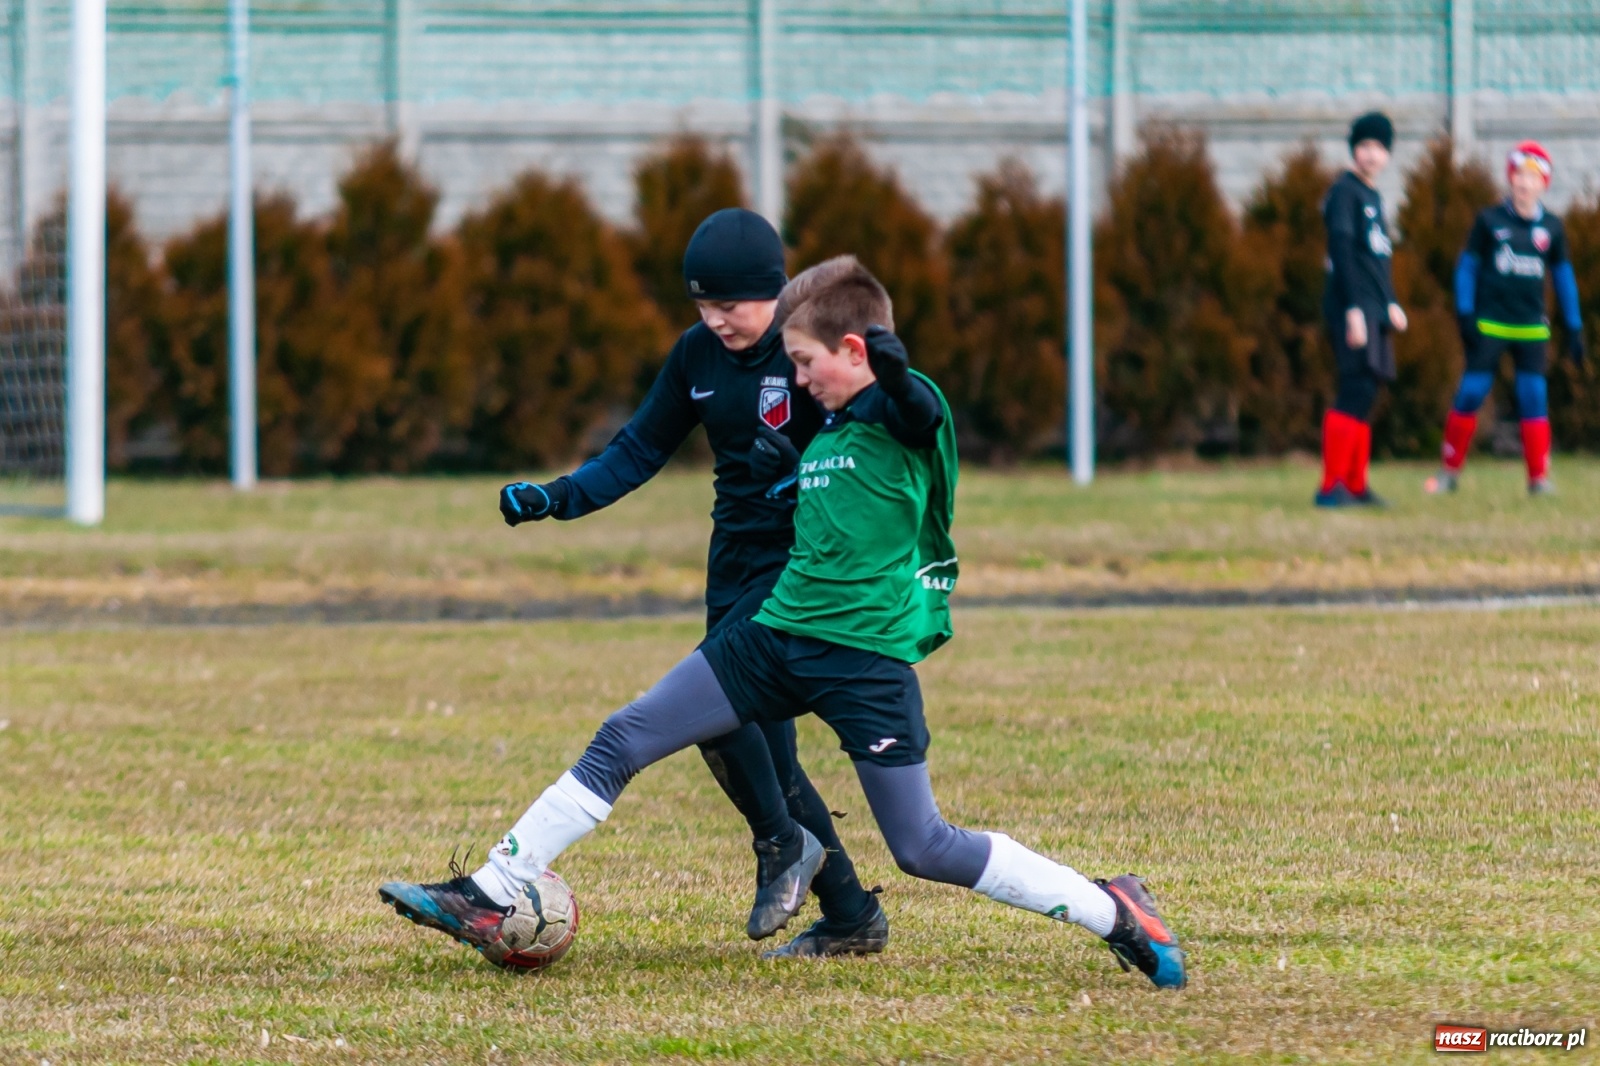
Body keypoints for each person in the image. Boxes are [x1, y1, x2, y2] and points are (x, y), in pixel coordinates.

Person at [380, 256, 1188, 989]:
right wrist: (783, 479)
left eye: (805, 363)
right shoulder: (829, 423)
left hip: (862, 659)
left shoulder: (902, 407)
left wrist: (898, 381)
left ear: (854, 349)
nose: (797, 381)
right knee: (624, 737)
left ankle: (1114, 911)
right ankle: (490, 890)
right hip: (772, 634)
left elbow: (916, 417)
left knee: (923, 847)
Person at [489, 208, 885, 956]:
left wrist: (797, 472)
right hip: (731, 559)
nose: (713, 320)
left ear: (772, 292)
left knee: (719, 711)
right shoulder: (696, 356)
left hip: (802, 564)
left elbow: (873, 447)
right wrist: (558, 497)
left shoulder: (815, 349)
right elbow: (639, 448)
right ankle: (852, 915)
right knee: (761, 744)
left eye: (727, 305)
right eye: (701, 305)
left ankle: (780, 845)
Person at [1426, 141, 1584, 496]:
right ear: (1510, 179)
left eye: (1532, 177)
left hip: (1531, 328)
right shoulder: (1489, 221)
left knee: (1533, 396)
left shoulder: (1553, 229)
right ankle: (1449, 473)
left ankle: (1538, 479)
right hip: (1491, 324)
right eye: (1518, 176)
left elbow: (1563, 277)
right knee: (1472, 392)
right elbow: (1466, 268)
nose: (1524, 184)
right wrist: (1465, 313)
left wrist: (1574, 325)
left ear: (1544, 183)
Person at [1317, 111, 1409, 508]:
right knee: (1354, 387)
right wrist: (1354, 308)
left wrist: (1389, 302)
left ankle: (1356, 484)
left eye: (1379, 147)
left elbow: (1376, 258)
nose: (1371, 155)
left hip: (1374, 308)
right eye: (1365, 146)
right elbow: (1342, 250)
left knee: (1368, 390)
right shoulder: (1345, 192)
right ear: (1354, 149)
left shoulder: (1372, 196)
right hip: (1350, 306)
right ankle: (1330, 486)